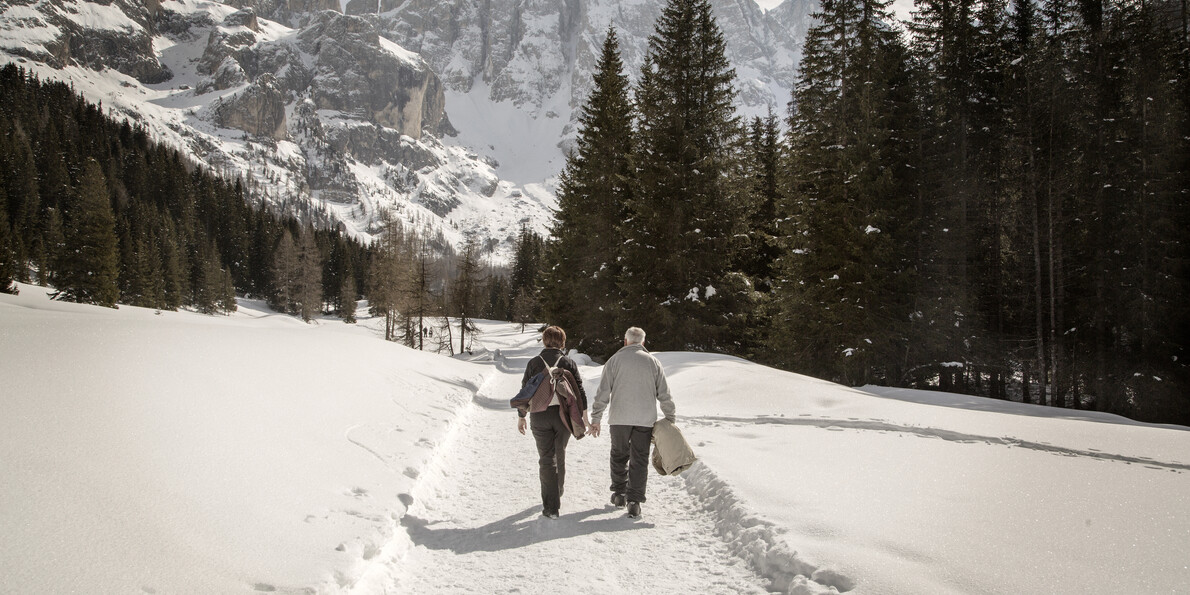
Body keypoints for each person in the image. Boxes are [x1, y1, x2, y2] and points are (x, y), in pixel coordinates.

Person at [588, 326, 675, 519]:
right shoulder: (653, 362)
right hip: (645, 419)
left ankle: (619, 494)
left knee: (619, 455)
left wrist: (596, 418)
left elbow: (603, 392)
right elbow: (664, 393)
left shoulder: (614, 361)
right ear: (643, 342)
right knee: (640, 459)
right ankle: (634, 501)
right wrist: (670, 417)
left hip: (619, 418)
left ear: (625, 341)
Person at [518, 326, 589, 519]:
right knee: (560, 454)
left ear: (544, 341)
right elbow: (579, 391)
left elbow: (525, 390)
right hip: (563, 415)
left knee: (546, 458)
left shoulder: (534, 363)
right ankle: (557, 492)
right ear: (562, 342)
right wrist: (584, 417)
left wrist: (521, 416)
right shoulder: (568, 362)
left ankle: (550, 506)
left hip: (539, 415)